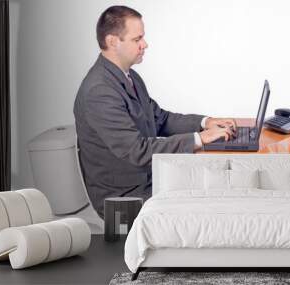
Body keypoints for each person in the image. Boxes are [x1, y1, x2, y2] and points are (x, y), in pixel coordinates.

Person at [73, 5, 236, 218]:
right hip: (124, 199)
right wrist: (200, 139)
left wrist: (206, 122)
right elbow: (138, 151)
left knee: (219, 180)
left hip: (147, 180)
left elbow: (161, 119)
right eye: (137, 39)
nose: (145, 44)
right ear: (113, 41)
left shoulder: (129, 77)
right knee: (211, 202)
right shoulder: (99, 91)